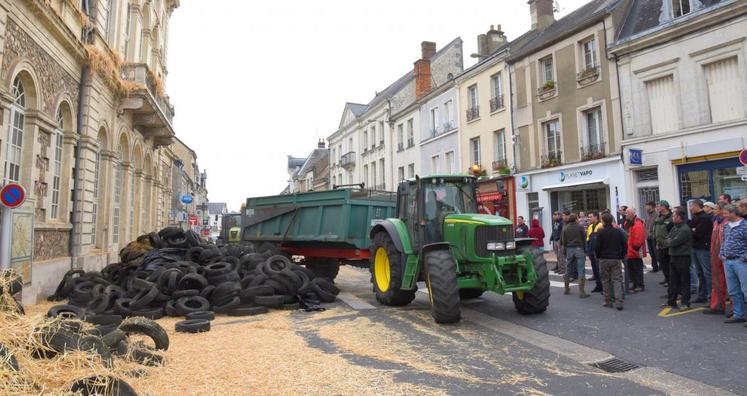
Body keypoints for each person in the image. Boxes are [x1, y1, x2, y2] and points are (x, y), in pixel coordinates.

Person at [720, 204, 747, 324]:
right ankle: (738, 314)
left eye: (726, 213)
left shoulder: (745, 226)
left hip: (741, 262)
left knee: (746, 289)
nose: (724, 216)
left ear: (733, 213)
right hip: (728, 261)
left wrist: (743, 258)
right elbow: (724, 241)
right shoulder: (726, 226)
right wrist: (722, 254)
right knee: (733, 290)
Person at [595, 213, 626, 310]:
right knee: (617, 280)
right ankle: (619, 301)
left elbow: (597, 247)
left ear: (603, 221)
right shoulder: (618, 232)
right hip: (616, 258)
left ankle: (608, 300)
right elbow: (624, 245)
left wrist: (598, 256)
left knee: (605, 280)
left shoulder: (600, 232)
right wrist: (621, 255)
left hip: (604, 258)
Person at [663, 207, 693, 311]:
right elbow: (667, 239)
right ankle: (671, 301)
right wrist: (669, 241)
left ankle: (685, 303)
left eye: (674, 216)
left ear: (679, 217)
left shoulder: (684, 229)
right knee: (673, 280)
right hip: (673, 256)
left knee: (684, 281)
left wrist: (670, 241)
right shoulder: (675, 227)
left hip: (683, 257)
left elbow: (672, 242)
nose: (672, 217)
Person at [704, 202, 729, 315]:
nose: (714, 210)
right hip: (715, 256)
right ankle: (717, 304)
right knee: (717, 282)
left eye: (717, 208)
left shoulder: (728, 222)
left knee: (731, 284)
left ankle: (736, 310)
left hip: (726, 257)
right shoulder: (716, 221)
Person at [688, 199, 713, 304]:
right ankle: (702, 295)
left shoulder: (704, 218)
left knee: (707, 273)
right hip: (695, 247)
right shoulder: (696, 217)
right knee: (699, 273)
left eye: (691, 206)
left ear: (697, 205)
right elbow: (692, 231)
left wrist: (692, 230)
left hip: (703, 248)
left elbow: (697, 233)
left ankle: (710, 296)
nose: (690, 208)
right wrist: (692, 229)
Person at [561, 214, 588, 298]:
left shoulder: (565, 228)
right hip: (579, 248)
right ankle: (582, 292)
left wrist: (565, 249)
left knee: (568, 268)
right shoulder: (580, 227)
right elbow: (584, 238)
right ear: (576, 219)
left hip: (569, 248)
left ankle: (566, 288)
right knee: (581, 269)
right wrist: (585, 249)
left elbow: (563, 240)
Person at [625, 207, 647, 292]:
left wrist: (635, 247)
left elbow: (639, 237)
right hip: (630, 250)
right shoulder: (630, 223)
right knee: (632, 269)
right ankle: (635, 284)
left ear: (631, 214)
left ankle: (640, 285)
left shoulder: (637, 223)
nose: (625, 214)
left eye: (627, 213)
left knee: (637, 269)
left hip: (634, 250)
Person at [655, 200, 674, 287]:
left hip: (668, 246)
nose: (657, 207)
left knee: (670, 266)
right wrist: (657, 242)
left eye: (659, 206)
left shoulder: (671, 217)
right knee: (663, 265)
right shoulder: (659, 217)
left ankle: (671, 283)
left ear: (664, 207)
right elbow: (657, 231)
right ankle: (667, 280)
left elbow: (671, 232)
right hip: (660, 245)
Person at [585, 212, 603, 293]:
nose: (589, 218)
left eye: (590, 217)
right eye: (588, 217)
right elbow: (588, 239)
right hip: (591, 251)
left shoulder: (600, 226)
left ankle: (603, 287)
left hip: (598, 252)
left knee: (600, 270)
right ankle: (598, 286)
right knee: (595, 269)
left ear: (596, 217)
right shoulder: (590, 226)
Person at [644, 201, 659, 273]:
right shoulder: (648, 215)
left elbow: (656, 226)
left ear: (651, 206)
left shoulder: (656, 214)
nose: (646, 207)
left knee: (656, 253)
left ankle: (659, 266)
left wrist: (653, 234)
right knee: (651, 253)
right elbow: (646, 225)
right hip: (648, 237)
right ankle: (655, 267)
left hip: (654, 237)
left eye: (647, 206)